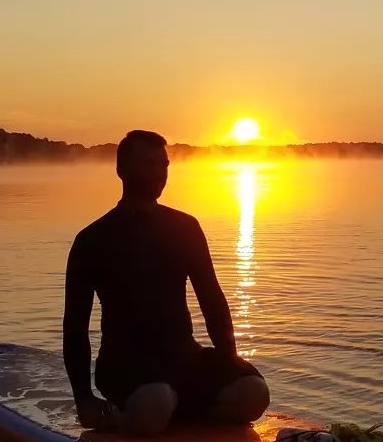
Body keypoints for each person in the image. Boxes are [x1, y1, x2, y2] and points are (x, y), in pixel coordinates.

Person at [63, 130, 269, 434]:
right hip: (125, 365)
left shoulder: (185, 227)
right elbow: (76, 326)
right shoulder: (93, 239)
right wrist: (83, 397)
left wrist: (229, 361)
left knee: (254, 393)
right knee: (155, 401)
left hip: (184, 358)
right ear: (122, 170)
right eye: (149, 164)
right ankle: (121, 418)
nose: (159, 174)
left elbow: (211, 299)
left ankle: (179, 410)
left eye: (164, 165)